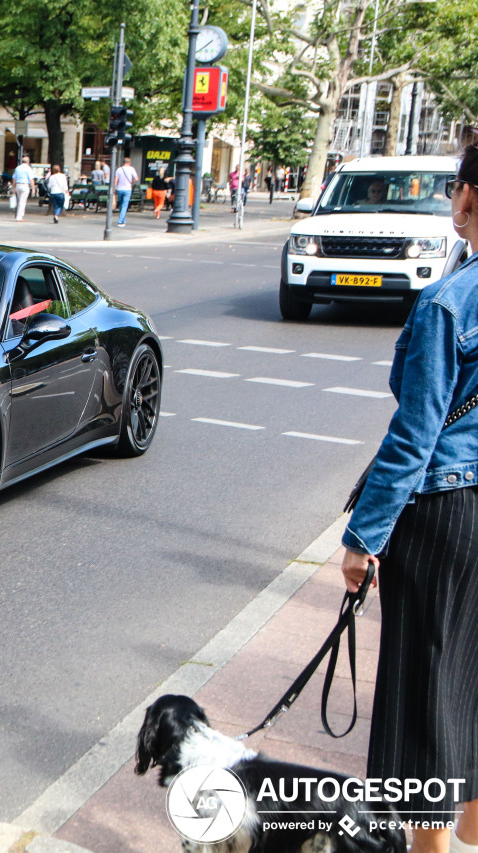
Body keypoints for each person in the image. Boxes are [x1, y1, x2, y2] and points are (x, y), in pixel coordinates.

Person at [340, 143, 478, 853]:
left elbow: (415, 434)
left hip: (449, 511)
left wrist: (364, 537)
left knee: (425, 688)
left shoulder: (448, 303)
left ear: (467, 198)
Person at [114, 156, 139, 226]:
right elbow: (136, 178)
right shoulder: (131, 169)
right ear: (129, 162)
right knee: (125, 205)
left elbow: (116, 180)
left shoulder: (119, 169)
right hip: (127, 189)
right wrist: (132, 182)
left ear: (123, 162)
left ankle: (123, 219)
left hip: (119, 189)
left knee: (121, 205)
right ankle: (120, 221)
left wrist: (114, 188)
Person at [12, 154, 35, 221]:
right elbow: (31, 179)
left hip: (18, 185)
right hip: (25, 185)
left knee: (19, 201)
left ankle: (18, 215)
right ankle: (19, 217)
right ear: (28, 162)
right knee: (22, 202)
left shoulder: (17, 168)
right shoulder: (28, 168)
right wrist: (33, 188)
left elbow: (14, 178)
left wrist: (14, 187)